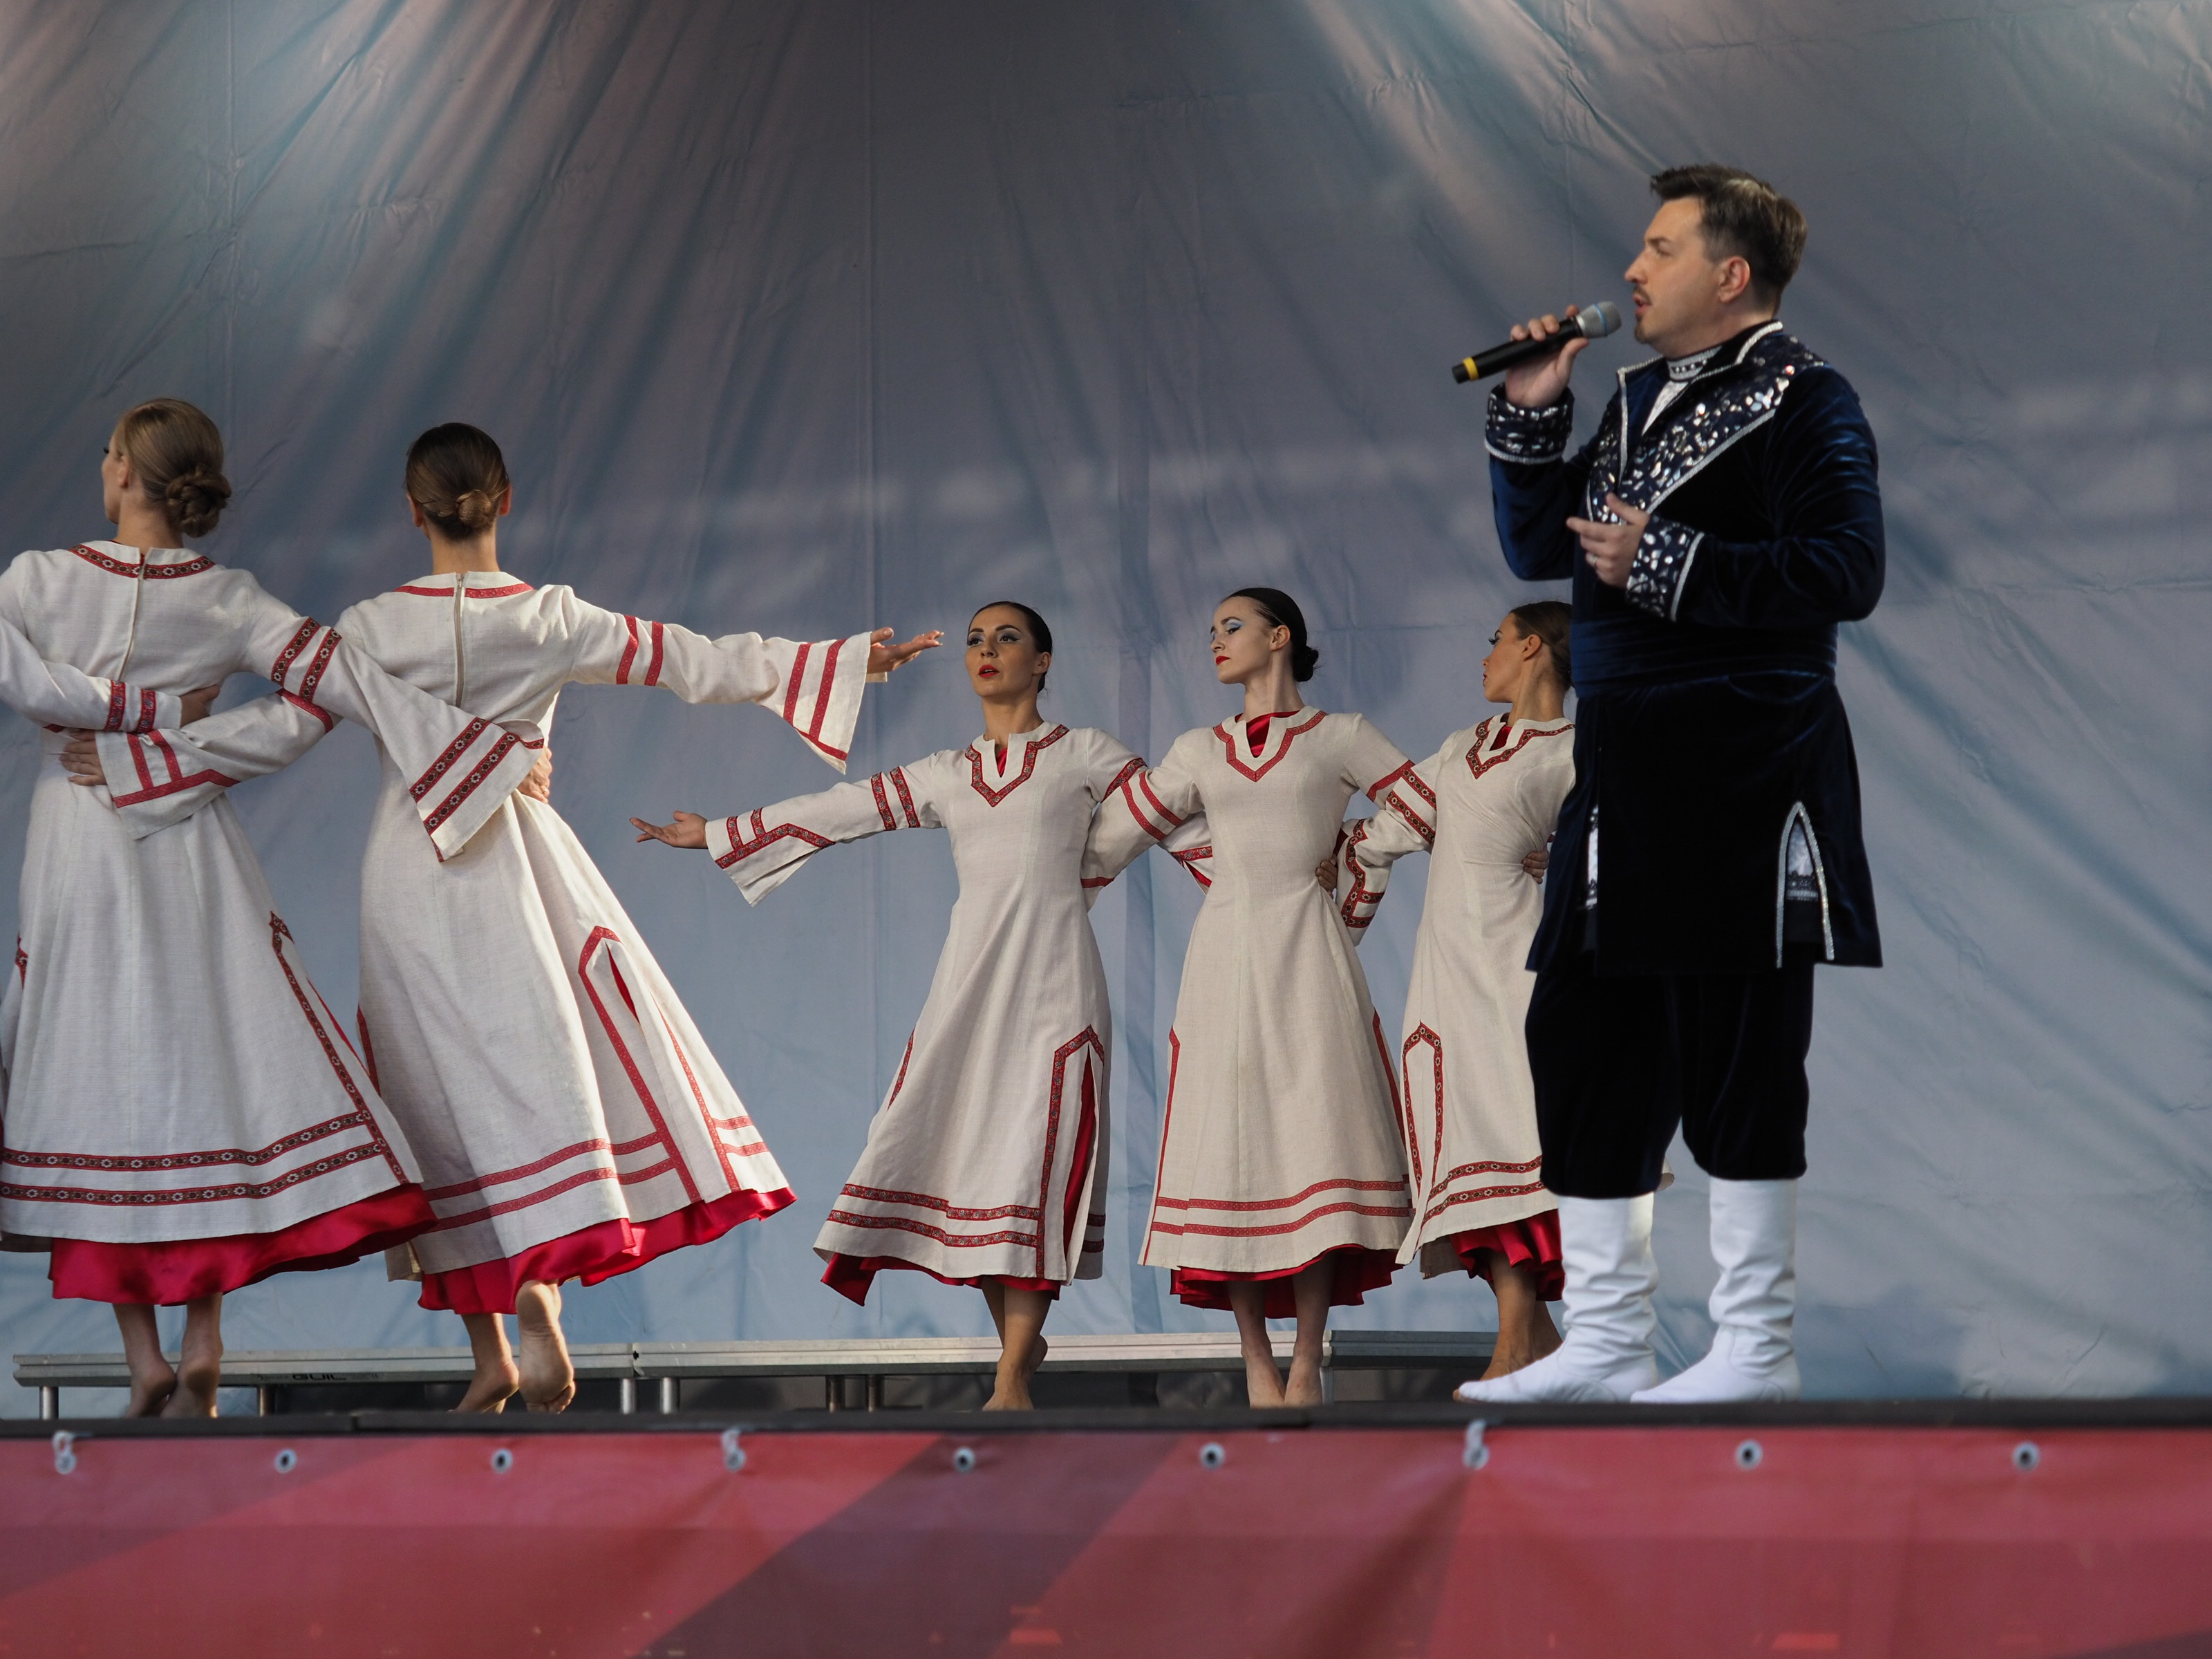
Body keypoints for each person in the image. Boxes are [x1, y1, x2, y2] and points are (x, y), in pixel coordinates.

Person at [82, 422, 939, 1411]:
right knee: (538, 1072)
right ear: (506, 501)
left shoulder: (371, 626)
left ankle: (493, 1339)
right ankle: (532, 1295)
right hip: (520, 862)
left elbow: (281, 728)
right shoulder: (548, 618)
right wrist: (841, 663)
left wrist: (141, 758)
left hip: (408, 876)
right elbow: (692, 661)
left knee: (433, 1092)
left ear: (412, 513)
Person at [11, 397, 538, 1416]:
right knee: (210, 1063)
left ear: (121, 473)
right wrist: (174, 732)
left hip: (77, 846)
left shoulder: (39, 581)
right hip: (189, 843)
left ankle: (146, 1359)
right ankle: (204, 1335)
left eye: (109, 454)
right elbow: (335, 687)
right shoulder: (227, 599)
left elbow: (15, 673)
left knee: (95, 1072)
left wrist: (126, 726)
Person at [1458, 166, 1884, 1405]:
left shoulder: (1808, 397)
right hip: (1623, 771)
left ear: (1731, 274)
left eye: (1658, 249)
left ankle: (1756, 1347)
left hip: (1747, 760)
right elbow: (1544, 552)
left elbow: (1847, 568)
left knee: (1740, 1046)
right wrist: (1536, 416)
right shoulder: (1637, 401)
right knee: (1587, 1041)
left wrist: (1672, 559)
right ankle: (1605, 1340)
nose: (1630, 272)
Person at [635, 603, 1139, 1411]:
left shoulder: (1085, 755)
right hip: (969, 984)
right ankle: (1016, 1348)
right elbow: (846, 808)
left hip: (1056, 981)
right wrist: (721, 832)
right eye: (974, 640)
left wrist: (1296, 862)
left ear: (1043, 661)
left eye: (1007, 638)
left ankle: (1010, 1375)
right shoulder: (948, 772)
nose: (986, 650)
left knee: (1035, 1160)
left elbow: (1166, 812)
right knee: (976, 1163)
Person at [1083, 588, 1413, 1408]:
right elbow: (1114, 837)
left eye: (1231, 626)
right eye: (1210, 630)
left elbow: (1428, 806)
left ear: (1279, 636)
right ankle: (1255, 1358)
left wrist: (1355, 853)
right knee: (1228, 1148)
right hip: (1225, 957)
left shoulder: (1340, 735)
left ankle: (1305, 1356)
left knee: (1311, 1138)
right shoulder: (1198, 748)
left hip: (1308, 955)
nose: (1215, 641)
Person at [1330, 602, 1575, 1380]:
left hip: (1517, 971)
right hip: (1446, 983)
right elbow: (1383, 835)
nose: (1485, 656)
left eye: (1495, 641)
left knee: (1517, 1142)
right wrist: (1305, 870)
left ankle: (1514, 1346)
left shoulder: (1577, 750)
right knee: (1467, 1149)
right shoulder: (1461, 746)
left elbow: (1624, 846)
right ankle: (1537, 1345)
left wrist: (1560, 853)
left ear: (1531, 648)